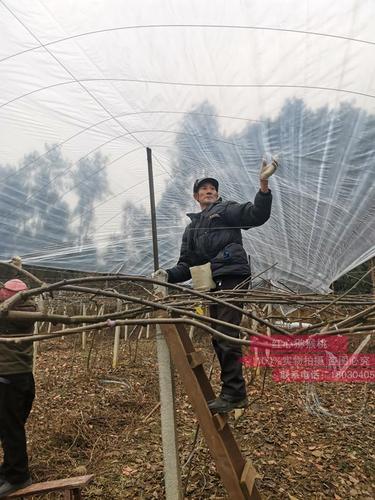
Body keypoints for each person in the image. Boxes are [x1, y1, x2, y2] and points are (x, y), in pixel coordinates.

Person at [154, 158, 278, 413]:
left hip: (232, 274)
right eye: (204, 189)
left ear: (217, 194)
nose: (209, 191)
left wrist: (263, 185)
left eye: (213, 188)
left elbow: (257, 214)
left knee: (226, 333)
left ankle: (234, 393)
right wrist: (165, 275)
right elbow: (186, 265)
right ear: (196, 196)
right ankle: (232, 392)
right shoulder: (191, 229)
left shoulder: (226, 210)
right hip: (211, 282)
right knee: (218, 336)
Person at [0, 279, 38, 497]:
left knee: (10, 428)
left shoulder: (7, 315)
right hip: (22, 377)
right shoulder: (30, 309)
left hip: (7, 377)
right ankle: (9, 470)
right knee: (10, 426)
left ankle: (18, 476)